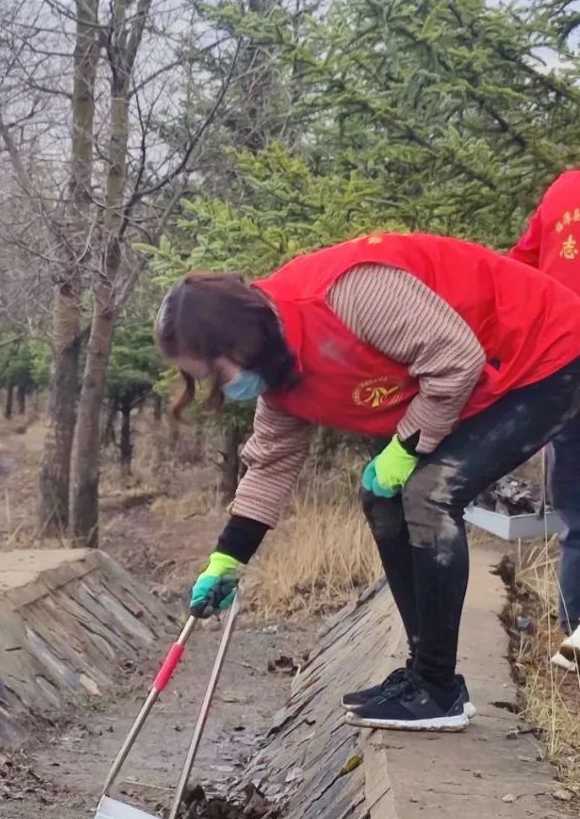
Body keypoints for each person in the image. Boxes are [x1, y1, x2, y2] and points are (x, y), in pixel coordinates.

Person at [155, 232, 580, 732]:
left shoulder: (346, 294)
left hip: (548, 352)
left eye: (215, 373)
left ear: (237, 341)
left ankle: (437, 690)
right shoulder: (279, 376)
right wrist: (227, 560)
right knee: (382, 495)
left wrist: (404, 450)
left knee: (429, 492)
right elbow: (270, 463)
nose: (220, 387)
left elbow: (456, 361)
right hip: (488, 373)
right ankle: (424, 675)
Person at [508, 171, 580, 644]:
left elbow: (516, 271)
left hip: (561, 370)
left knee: (576, 516)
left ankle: (573, 632)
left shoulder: (563, 188)